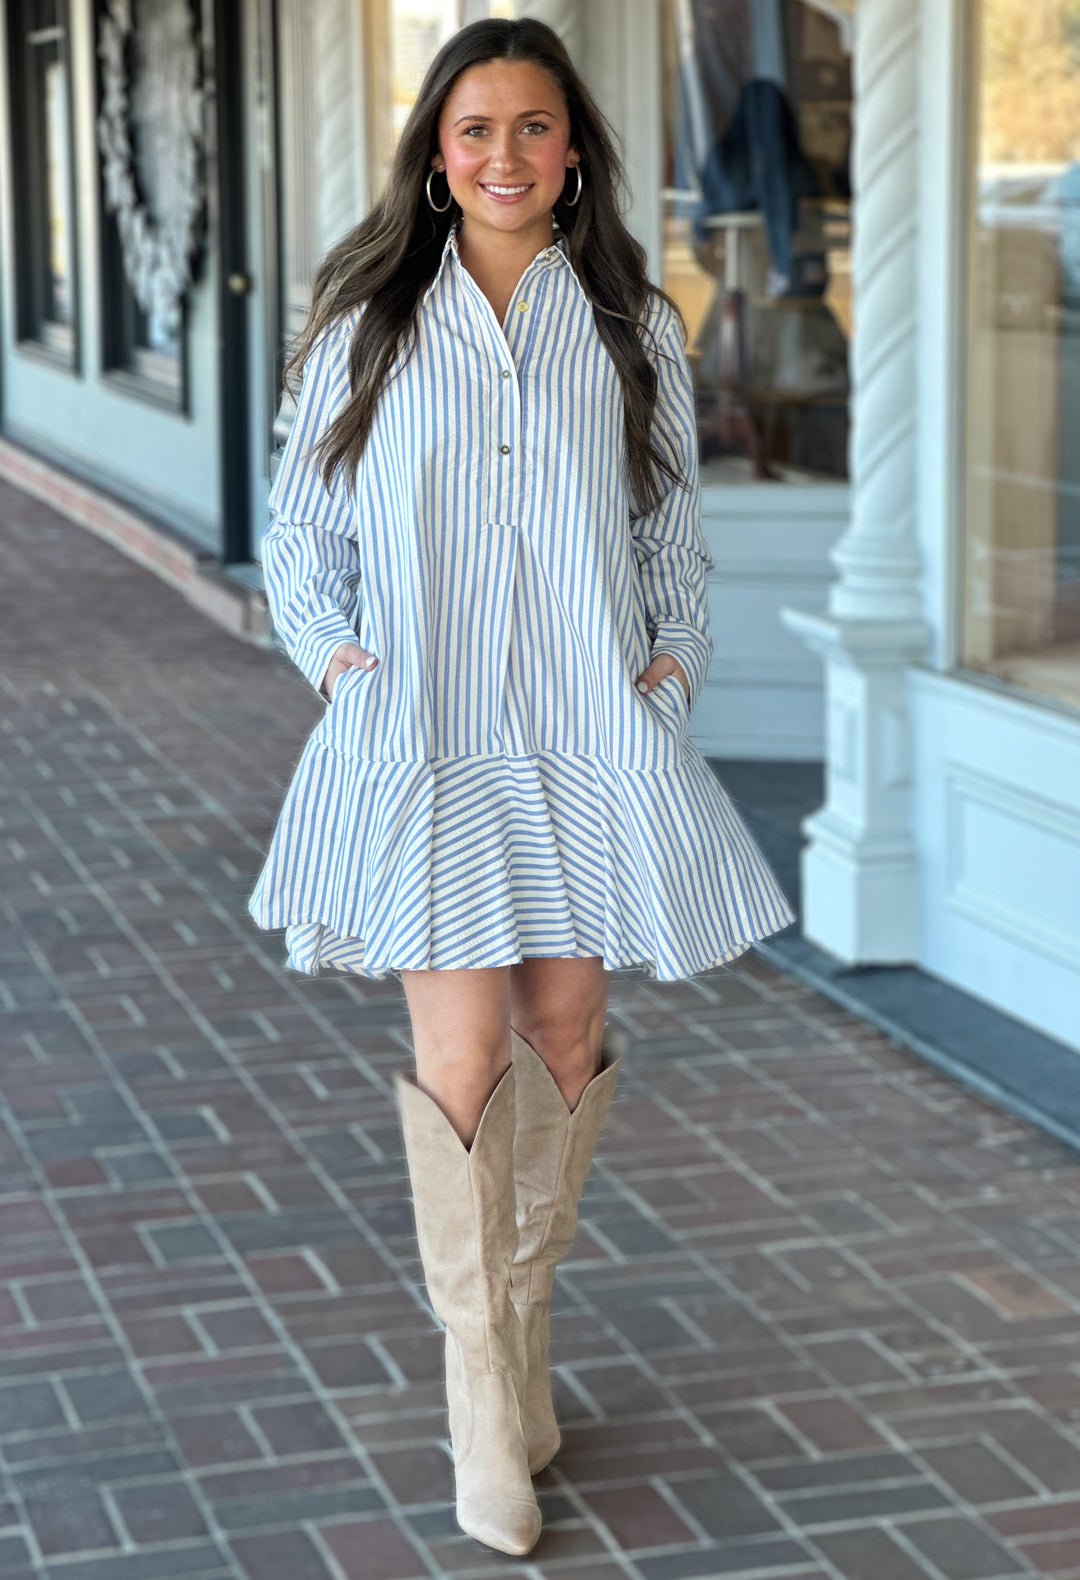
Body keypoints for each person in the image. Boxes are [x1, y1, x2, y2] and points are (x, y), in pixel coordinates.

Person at [248, 17, 793, 1558]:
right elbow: (301, 536)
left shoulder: (634, 326)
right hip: (424, 743)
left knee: (566, 1032)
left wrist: (672, 669)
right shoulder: (368, 321)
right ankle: (481, 1392)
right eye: (475, 128)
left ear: (573, 152)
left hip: (586, 738)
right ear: (437, 152)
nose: (505, 154)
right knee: (467, 1055)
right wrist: (343, 662)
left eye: (534, 128)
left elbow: (671, 530)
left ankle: (526, 1334)